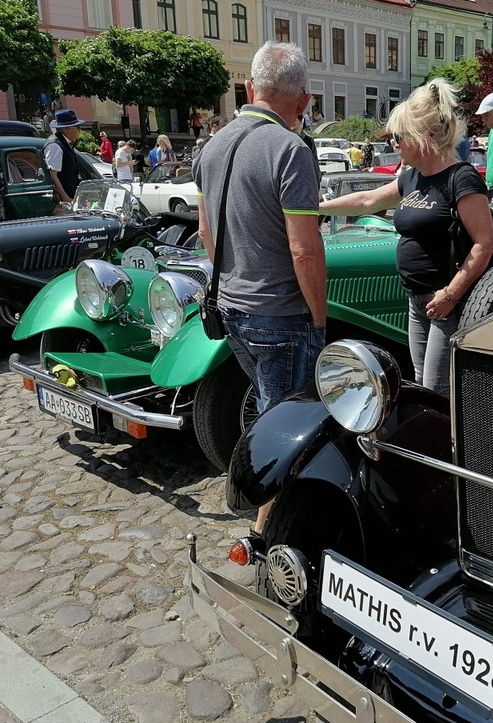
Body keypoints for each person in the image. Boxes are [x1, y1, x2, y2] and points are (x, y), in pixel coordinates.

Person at [191, 40, 326, 536]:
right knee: (285, 428)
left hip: (231, 309)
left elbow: (206, 232)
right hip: (281, 314)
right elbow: (305, 251)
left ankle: (268, 512)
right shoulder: (290, 150)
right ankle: (264, 534)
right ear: (304, 101)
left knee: (267, 410)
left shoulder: (213, 146)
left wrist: (233, 281)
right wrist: (318, 317)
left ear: (250, 88)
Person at [319, 78, 493, 398]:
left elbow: (485, 243)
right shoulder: (413, 177)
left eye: (399, 137)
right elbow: (368, 201)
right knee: (419, 380)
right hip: (417, 302)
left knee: (436, 390)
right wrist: (312, 208)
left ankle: (449, 448)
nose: (393, 144)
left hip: (447, 303)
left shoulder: (461, 178)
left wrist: (451, 295)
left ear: (425, 136)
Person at [43, 108, 88, 211]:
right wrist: (66, 198)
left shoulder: (64, 143)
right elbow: (52, 175)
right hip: (61, 204)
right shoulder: (55, 146)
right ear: (69, 129)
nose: (80, 130)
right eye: (78, 127)